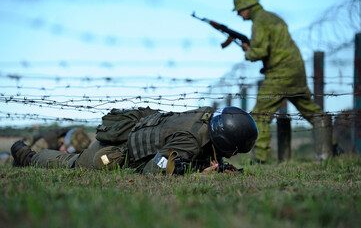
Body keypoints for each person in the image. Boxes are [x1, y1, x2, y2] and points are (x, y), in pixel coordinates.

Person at [11, 106, 258, 174]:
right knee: (73, 164)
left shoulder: (206, 117)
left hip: (134, 132)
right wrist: (198, 170)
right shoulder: (190, 141)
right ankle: (27, 156)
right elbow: (154, 169)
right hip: (117, 148)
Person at [232, 0, 323, 163]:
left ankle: (259, 158)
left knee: (259, 114)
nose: (238, 14)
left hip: (280, 73)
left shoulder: (259, 22)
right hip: (297, 69)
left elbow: (260, 51)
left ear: (247, 7)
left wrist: (248, 52)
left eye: (239, 10)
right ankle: (331, 146)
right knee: (310, 110)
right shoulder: (274, 18)